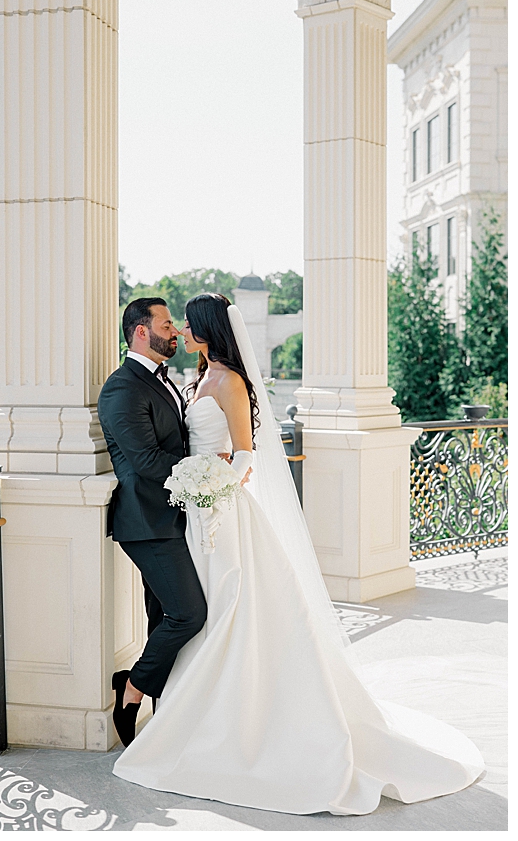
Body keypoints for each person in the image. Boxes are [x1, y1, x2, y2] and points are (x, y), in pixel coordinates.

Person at [110, 292, 485, 816]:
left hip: (218, 511)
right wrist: (196, 480)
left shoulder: (230, 382)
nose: (182, 331)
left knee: (224, 613)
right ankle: (185, 710)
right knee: (203, 614)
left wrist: (208, 482)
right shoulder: (190, 379)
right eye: (174, 324)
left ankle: (218, 721)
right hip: (190, 515)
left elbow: (242, 455)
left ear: (210, 330)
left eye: (189, 324)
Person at [97, 297, 208, 746]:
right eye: (166, 324)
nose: (176, 332)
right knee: (189, 614)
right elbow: (145, 461)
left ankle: (168, 714)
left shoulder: (161, 380)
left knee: (162, 615)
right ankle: (132, 688)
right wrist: (204, 464)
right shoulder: (122, 388)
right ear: (141, 331)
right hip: (145, 522)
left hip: (173, 518)